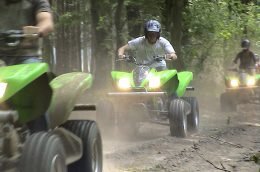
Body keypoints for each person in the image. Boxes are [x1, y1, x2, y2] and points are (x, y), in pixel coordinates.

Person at [0, 0, 54, 132]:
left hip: (26, 56)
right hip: (1, 57)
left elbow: (46, 21)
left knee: (35, 86)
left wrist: (38, 30)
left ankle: (41, 136)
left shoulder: (36, 1)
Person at [0, 0, 54, 65]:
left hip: (27, 55)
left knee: (32, 70)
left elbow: (46, 22)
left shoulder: (37, 1)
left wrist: (37, 31)